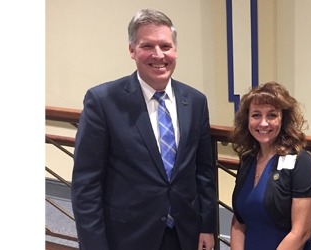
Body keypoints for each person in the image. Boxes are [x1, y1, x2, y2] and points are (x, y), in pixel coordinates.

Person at [71, 9, 217, 250]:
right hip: (128, 236)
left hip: (184, 234)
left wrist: (207, 226)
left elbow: (203, 172)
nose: (158, 55)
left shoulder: (195, 101)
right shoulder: (102, 101)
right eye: (147, 46)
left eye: (165, 46)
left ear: (175, 50)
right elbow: (86, 184)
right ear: (132, 50)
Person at [229, 82, 311, 250]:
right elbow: (238, 221)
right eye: (256, 115)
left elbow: (301, 233)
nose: (263, 123)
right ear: (247, 120)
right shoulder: (247, 161)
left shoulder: (302, 162)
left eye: (272, 115)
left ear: (283, 119)